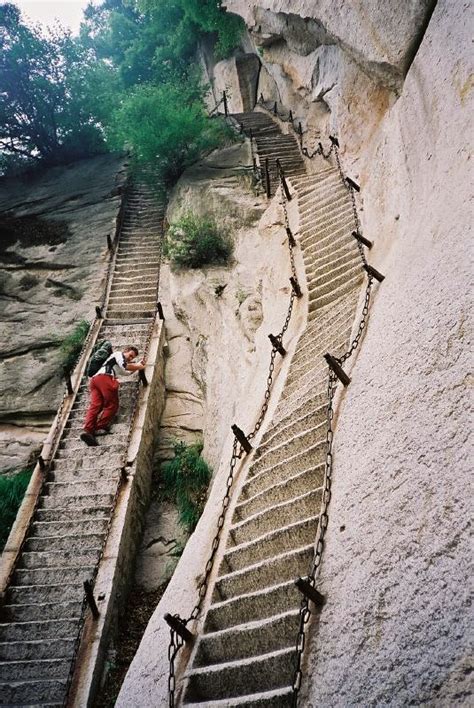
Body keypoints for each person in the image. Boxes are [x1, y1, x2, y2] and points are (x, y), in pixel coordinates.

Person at [80, 345, 146, 446]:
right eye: (130, 355)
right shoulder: (118, 354)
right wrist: (138, 366)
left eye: (132, 358)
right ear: (126, 351)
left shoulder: (116, 362)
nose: (130, 358)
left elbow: (126, 372)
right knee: (112, 405)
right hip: (105, 378)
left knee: (96, 406)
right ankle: (100, 427)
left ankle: (88, 431)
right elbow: (125, 366)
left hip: (95, 380)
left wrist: (137, 365)